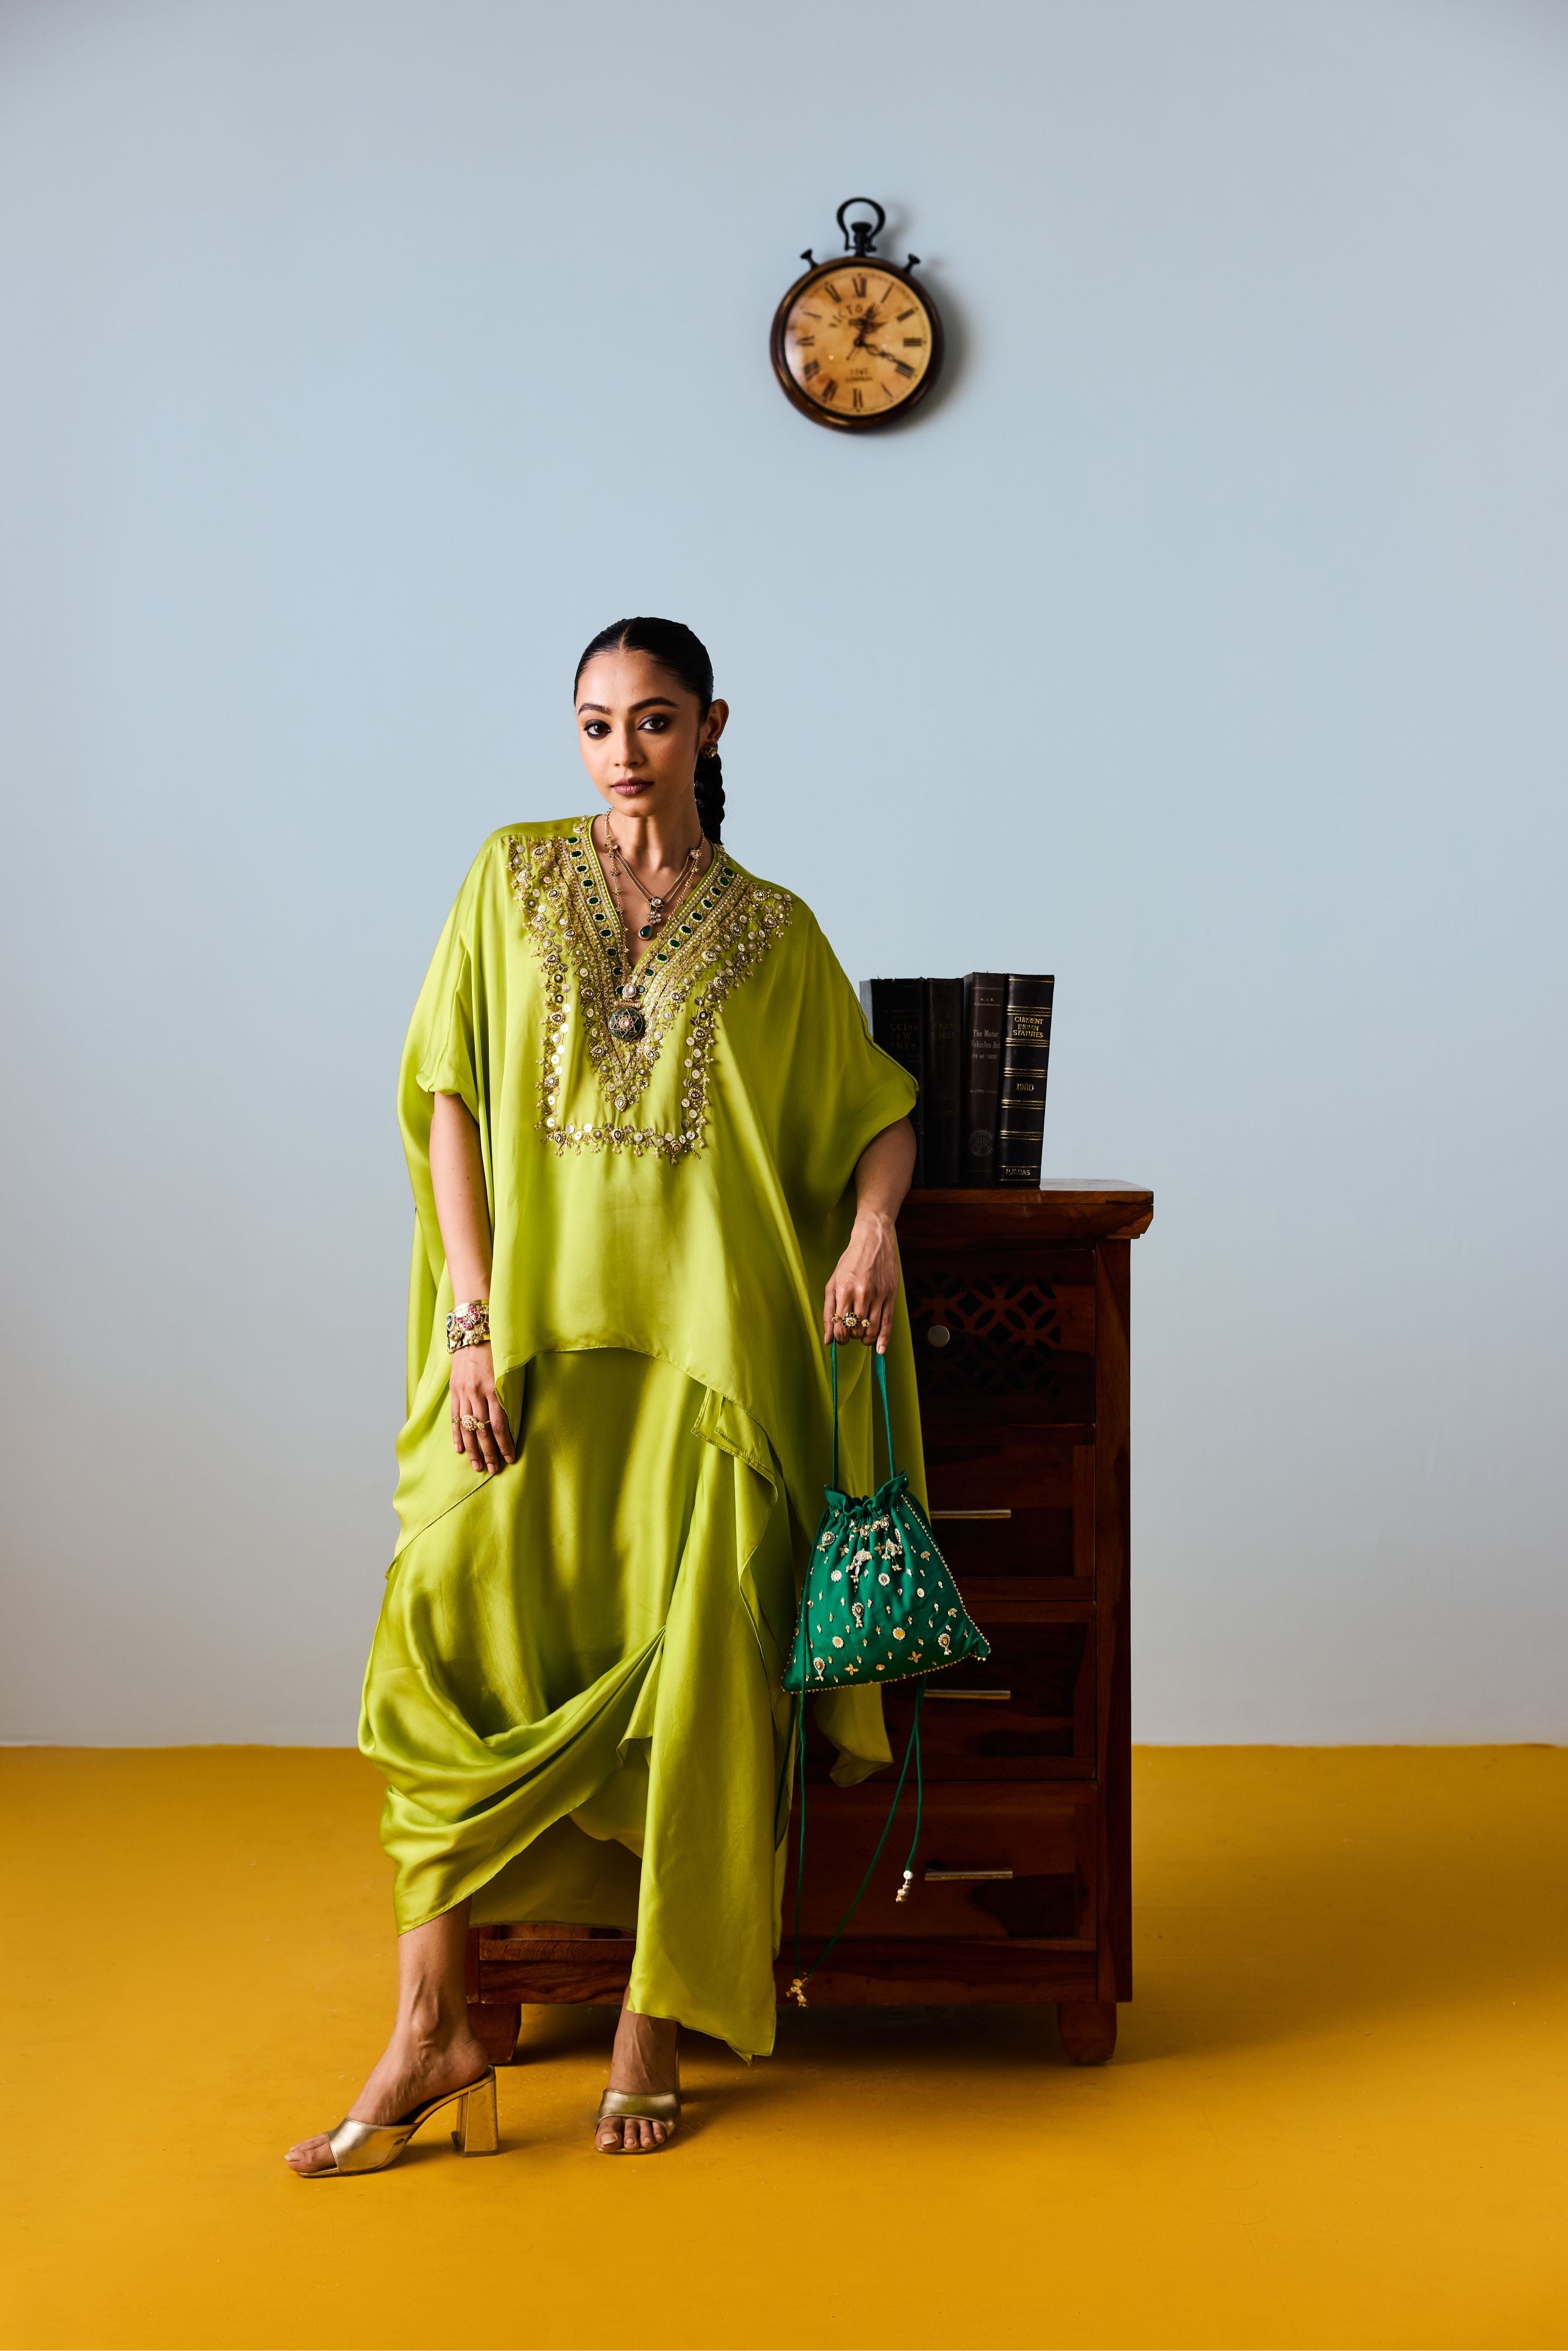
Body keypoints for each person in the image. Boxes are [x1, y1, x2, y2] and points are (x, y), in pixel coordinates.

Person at [287, 617, 921, 2173]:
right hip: (529, 1350)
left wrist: (873, 1230)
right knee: (436, 1639)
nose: (621, 752)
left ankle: (651, 2020)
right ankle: (431, 2023)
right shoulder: (507, 878)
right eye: (593, 723)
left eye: (651, 720)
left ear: (711, 726)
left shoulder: (775, 931)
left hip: (712, 1370)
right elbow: (447, 1092)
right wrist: (471, 1322)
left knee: (698, 1672)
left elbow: (878, 1109)